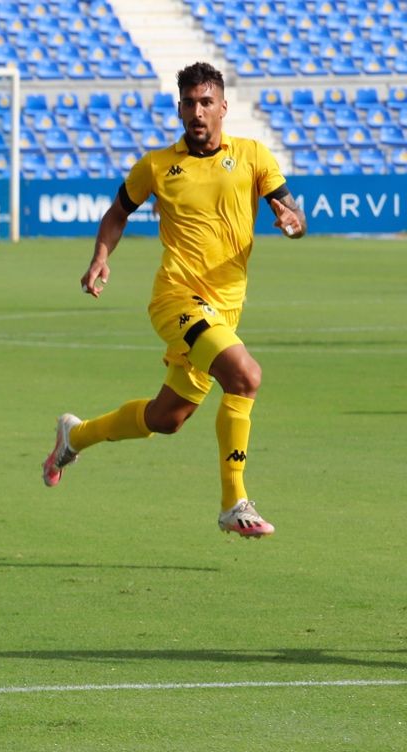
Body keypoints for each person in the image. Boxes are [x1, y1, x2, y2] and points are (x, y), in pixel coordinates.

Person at [41, 62, 307, 538]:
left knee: (167, 418)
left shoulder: (253, 156)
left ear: (224, 107)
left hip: (223, 309)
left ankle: (74, 435)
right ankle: (233, 502)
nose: (198, 112)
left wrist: (293, 223)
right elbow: (117, 212)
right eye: (190, 103)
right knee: (244, 376)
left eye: (207, 102)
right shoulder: (157, 166)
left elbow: (291, 211)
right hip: (176, 299)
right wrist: (101, 255)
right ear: (179, 108)